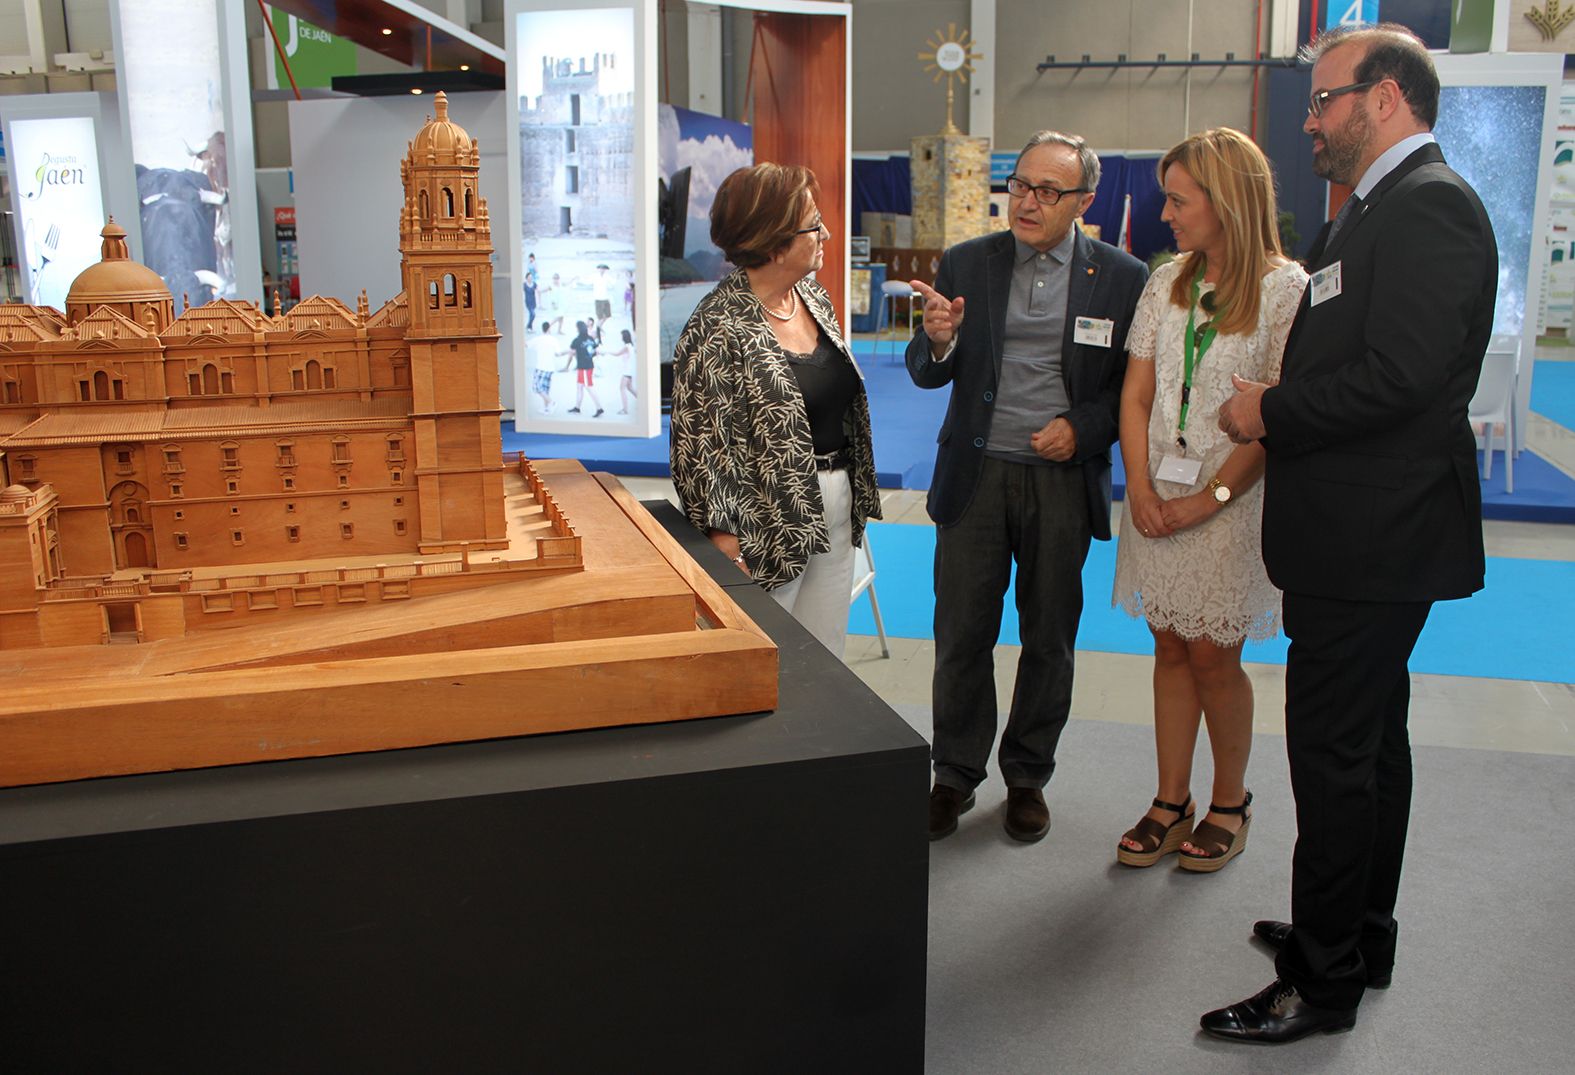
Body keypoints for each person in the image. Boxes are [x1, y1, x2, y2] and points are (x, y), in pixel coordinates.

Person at [1208, 24, 1496, 1044]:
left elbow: (1402, 379)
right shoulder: (1376, 210)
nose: (1311, 121)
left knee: (1335, 757)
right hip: (1365, 529)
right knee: (1370, 748)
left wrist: (1270, 413)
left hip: (1375, 536)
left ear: (1383, 99)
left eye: (1324, 99)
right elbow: (1371, 358)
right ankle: (1355, 934)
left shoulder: (1429, 210)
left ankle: (1320, 982)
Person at [906, 131, 1147, 842]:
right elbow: (928, 368)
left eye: (1048, 191)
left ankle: (1027, 777)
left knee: (1049, 638)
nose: (1029, 201)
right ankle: (952, 774)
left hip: (1061, 482)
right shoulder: (967, 263)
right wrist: (939, 338)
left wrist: (1081, 427)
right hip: (976, 476)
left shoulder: (1122, 276)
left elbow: (1129, 391)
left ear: (1082, 200)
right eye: (1020, 185)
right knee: (960, 634)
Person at [1111, 128, 1308, 872]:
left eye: (1176, 199)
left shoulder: (1286, 288)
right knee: (1166, 643)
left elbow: (1276, 414)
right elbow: (1135, 394)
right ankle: (1170, 799)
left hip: (1230, 502)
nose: (1165, 212)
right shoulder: (1165, 280)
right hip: (1154, 491)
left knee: (1212, 654)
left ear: (1225, 202)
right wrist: (1137, 486)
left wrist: (1213, 495)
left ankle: (1229, 800)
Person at [670, 163, 881, 658]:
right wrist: (725, 544)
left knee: (826, 658)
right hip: (763, 521)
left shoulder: (813, 299)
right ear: (773, 240)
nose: (826, 233)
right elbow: (700, 451)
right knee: (768, 659)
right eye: (813, 225)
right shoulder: (716, 326)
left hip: (835, 503)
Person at [560, 319, 604, 417]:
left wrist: (560, 353)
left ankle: (599, 408)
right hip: (588, 366)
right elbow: (596, 350)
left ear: (578, 329)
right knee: (579, 386)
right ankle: (577, 407)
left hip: (584, 367)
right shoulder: (590, 338)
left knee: (589, 387)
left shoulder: (577, 340)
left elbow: (571, 352)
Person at [528, 319, 560, 414]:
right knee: (545, 389)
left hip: (541, 367)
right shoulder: (554, 340)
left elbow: (526, 344)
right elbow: (558, 353)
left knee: (537, 388)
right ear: (549, 328)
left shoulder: (538, 339)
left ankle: (551, 402)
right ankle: (546, 408)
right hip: (550, 368)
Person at [608, 328, 637, 414]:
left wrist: (606, 352)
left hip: (627, 372)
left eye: (621, 335)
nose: (620, 337)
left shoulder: (626, 347)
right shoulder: (631, 346)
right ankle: (643, 401)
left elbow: (617, 354)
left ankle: (625, 409)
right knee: (630, 388)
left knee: (622, 388)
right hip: (629, 371)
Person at [524, 252, 539, 330]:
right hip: (528, 302)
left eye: (531, 257)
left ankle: (530, 327)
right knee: (532, 314)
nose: (530, 259)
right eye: (530, 257)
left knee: (531, 314)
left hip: (533, 301)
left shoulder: (534, 263)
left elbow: (538, 292)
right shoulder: (524, 284)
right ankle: (528, 326)